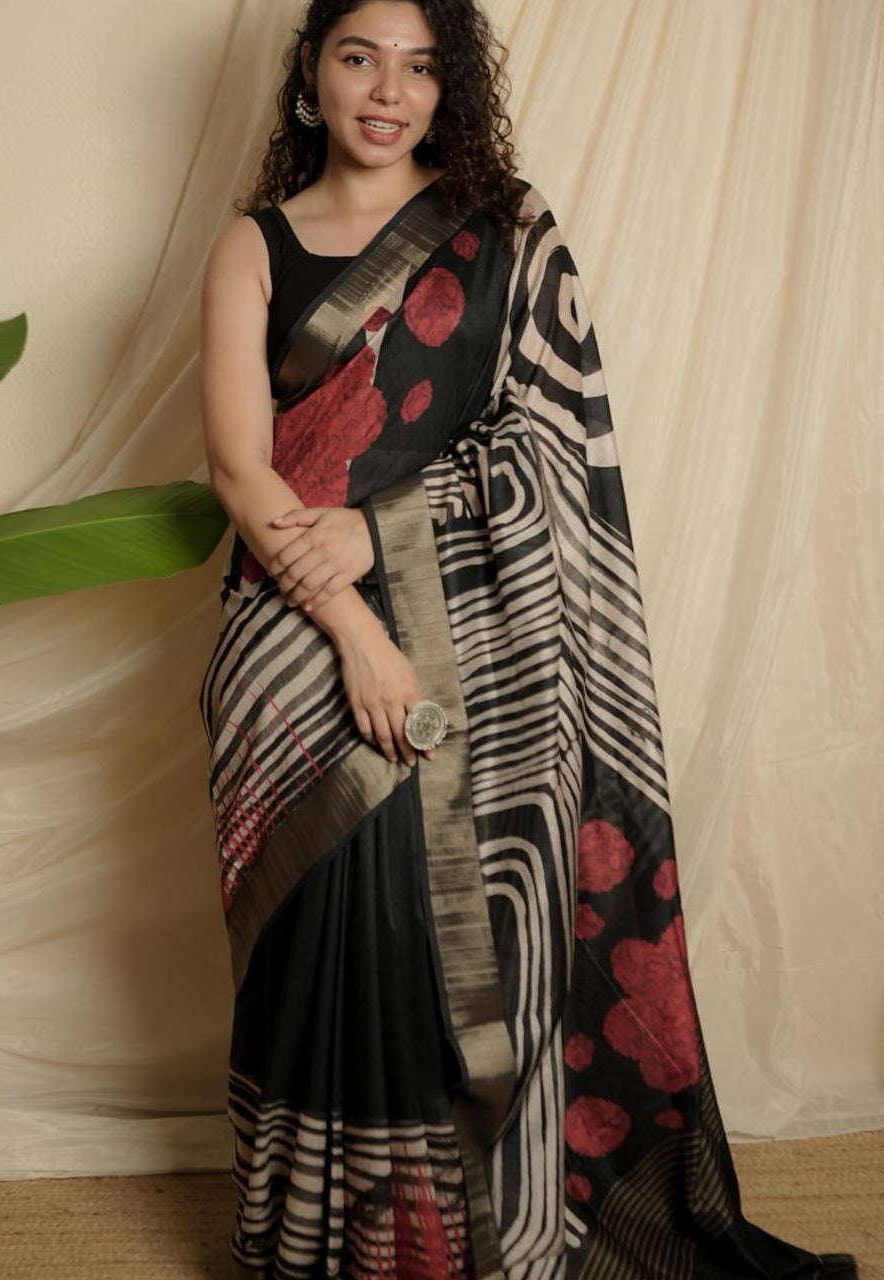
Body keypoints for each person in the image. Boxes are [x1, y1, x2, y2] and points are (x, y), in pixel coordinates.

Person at [198, 2, 858, 1277]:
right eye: (358, 57)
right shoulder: (253, 244)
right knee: (311, 941)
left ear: (448, 89)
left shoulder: (504, 233)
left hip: (471, 633)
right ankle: (311, 1246)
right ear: (311, 74)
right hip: (285, 641)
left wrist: (382, 525)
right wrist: (355, 632)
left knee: (429, 937)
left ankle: (445, 1246)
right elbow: (239, 466)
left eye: (419, 66)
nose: (386, 90)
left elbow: (550, 442)